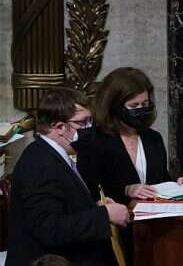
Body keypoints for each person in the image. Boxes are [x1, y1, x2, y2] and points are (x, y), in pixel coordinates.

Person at [76, 67, 183, 265]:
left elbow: (158, 182)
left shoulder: (153, 139)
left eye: (146, 104)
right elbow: (87, 192)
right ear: (114, 105)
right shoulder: (94, 141)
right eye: (134, 105)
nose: (141, 109)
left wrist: (178, 185)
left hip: (154, 232)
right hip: (114, 237)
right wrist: (126, 190)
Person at [7, 88, 129, 266]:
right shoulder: (40, 164)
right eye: (82, 122)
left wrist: (93, 208)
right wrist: (104, 215)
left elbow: (62, 205)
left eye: (90, 121)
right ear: (59, 127)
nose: (89, 128)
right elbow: (49, 227)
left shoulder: (54, 155)